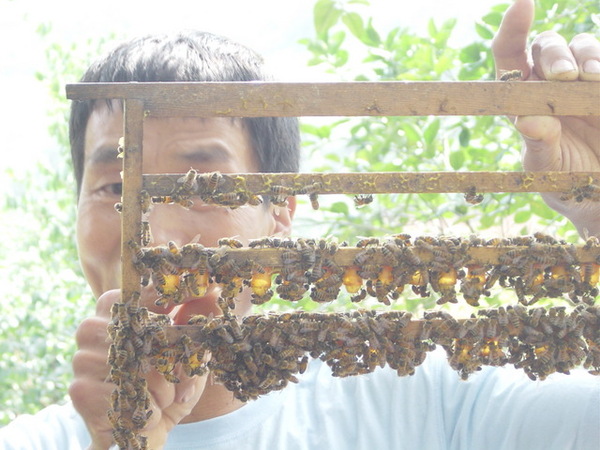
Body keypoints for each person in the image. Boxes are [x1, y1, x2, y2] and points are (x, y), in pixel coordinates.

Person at [1, 0, 599, 448]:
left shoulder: (434, 402)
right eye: (114, 188)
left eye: (208, 187)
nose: (155, 239)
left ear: (281, 213)